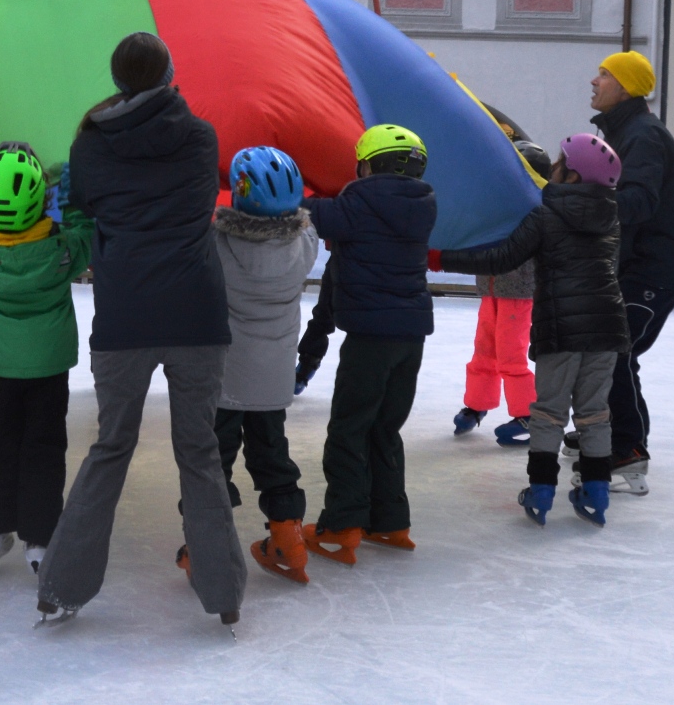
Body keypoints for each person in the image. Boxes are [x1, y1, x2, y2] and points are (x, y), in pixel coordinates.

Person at [35, 32, 246, 629]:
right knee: (200, 452)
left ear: (117, 78)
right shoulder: (201, 138)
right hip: (197, 314)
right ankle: (223, 594)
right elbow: (200, 201)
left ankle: (60, 589)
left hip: (125, 315)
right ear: (169, 73)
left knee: (110, 447)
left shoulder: (90, 147)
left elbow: (88, 209)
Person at [434, 133, 630, 528]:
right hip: (608, 326)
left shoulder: (546, 215)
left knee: (548, 412)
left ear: (572, 175)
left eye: (559, 164)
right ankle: (597, 491)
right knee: (594, 413)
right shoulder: (610, 216)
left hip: (562, 326)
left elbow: (502, 257)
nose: (553, 170)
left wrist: (440, 258)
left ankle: (541, 491)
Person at [295, 124, 436, 564]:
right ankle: (390, 521)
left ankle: (342, 525)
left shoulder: (358, 202)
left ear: (370, 164)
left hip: (370, 339)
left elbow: (307, 212)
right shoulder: (424, 203)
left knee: (349, 429)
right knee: (384, 428)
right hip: (410, 337)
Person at [0, 144, 92, 579]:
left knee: (2, 442)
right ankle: (40, 536)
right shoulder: (63, 251)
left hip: (1, 367)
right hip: (49, 367)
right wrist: (73, 203)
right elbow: (87, 234)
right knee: (44, 447)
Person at [589, 51, 674, 494]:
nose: (593, 81)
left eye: (604, 75)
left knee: (616, 351)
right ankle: (616, 433)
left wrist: (581, 203)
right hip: (636, 263)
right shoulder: (625, 131)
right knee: (610, 349)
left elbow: (637, 202)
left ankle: (628, 447)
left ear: (626, 86)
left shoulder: (645, 136)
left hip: (655, 268)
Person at [211, 146, 320, 586]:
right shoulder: (306, 244)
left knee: (212, 460)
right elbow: (309, 226)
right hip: (274, 377)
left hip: (223, 376)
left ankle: (207, 545)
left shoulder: (216, 244)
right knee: (272, 453)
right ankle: (289, 537)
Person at [450, 140, 550, 445]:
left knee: (510, 353)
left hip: (517, 292)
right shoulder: (500, 203)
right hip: (492, 288)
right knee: (484, 349)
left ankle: (528, 413)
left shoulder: (536, 208)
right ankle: (478, 403)